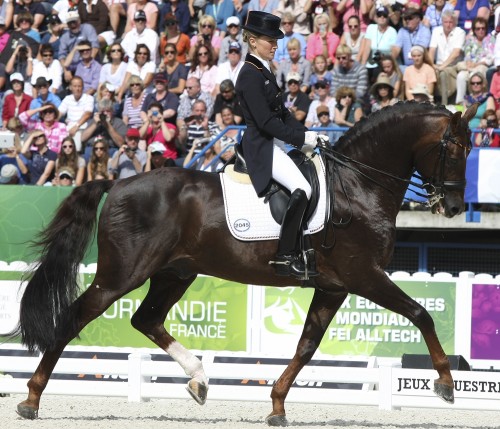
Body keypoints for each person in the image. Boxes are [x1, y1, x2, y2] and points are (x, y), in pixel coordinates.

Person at [235, 11, 327, 279]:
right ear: (252, 41)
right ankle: (285, 256)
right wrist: (299, 139)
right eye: (270, 40)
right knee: (303, 188)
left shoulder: (264, 69)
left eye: (276, 40)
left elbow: (283, 114)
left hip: (276, 143)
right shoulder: (249, 75)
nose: (275, 45)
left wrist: (309, 135)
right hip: (261, 146)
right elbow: (265, 122)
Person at [454, 17, 495, 104]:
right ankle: (460, 102)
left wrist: (476, 64)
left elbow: (490, 58)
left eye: (483, 28)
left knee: (476, 73)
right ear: (474, 30)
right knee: (461, 76)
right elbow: (467, 54)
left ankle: (474, 100)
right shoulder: (470, 40)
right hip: (470, 66)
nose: (481, 30)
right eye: (478, 28)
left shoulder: (490, 39)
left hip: (483, 66)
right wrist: (469, 64)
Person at [428, 10, 466, 105]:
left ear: (454, 22)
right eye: (446, 22)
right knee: (427, 70)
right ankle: (428, 101)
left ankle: (444, 104)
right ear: (442, 22)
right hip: (438, 64)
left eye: (451, 22)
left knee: (443, 73)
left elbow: (456, 53)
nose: (448, 25)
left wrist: (442, 66)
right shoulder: (436, 31)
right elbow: (432, 50)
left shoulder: (460, 32)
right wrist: (430, 64)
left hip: (453, 65)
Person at [58, 8, 100, 82]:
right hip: (73, 66)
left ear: (79, 20)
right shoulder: (65, 37)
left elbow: (95, 47)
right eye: (70, 22)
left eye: (74, 21)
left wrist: (89, 63)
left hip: (89, 63)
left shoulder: (88, 28)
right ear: (67, 24)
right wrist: (65, 71)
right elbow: (62, 55)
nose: (72, 24)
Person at [360, 5, 398, 83]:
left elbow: (394, 52)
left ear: (388, 18)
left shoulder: (392, 31)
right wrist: (362, 65)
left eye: (384, 15)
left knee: (377, 72)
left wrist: (384, 60)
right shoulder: (371, 27)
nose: (382, 17)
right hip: (370, 63)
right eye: (379, 15)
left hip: (384, 64)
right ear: (376, 17)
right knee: (364, 73)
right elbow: (367, 48)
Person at [58, 76, 94, 152]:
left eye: (79, 86)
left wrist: (76, 126)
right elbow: (59, 113)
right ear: (71, 87)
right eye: (75, 86)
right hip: (68, 127)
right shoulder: (67, 98)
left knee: (76, 146)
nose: (77, 89)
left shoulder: (89, 98)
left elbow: (87, 114)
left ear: (83, 87)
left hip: (82, 126)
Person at [176, 76, 214, 146]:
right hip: (187, 129)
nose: (187, 90)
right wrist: (185, 126)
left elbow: (206, 116)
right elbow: (179, 119)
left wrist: (190, 119)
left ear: (198, 88)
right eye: (186, 88)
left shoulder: (207, 98)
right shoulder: (184, 99)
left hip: (203, 129)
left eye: (190, 88)